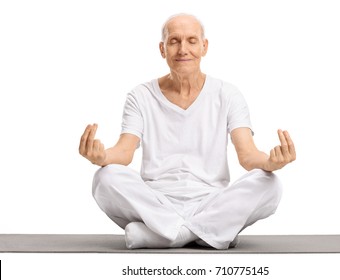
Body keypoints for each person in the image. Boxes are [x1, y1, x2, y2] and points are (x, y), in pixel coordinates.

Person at [79, 13, 296, 250]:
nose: (183, 49)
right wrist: (102, 158)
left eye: (192, 41)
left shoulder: (228, 94)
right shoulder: (140, 96)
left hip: (212, 202)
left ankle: (168, 235)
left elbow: (248, 156)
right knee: (105, 178)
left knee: (270, 184)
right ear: (162, 49)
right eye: (174, 41)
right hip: (156, 203)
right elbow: (124, 152)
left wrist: (271, 162)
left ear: (204, 47)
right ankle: (211, 232)